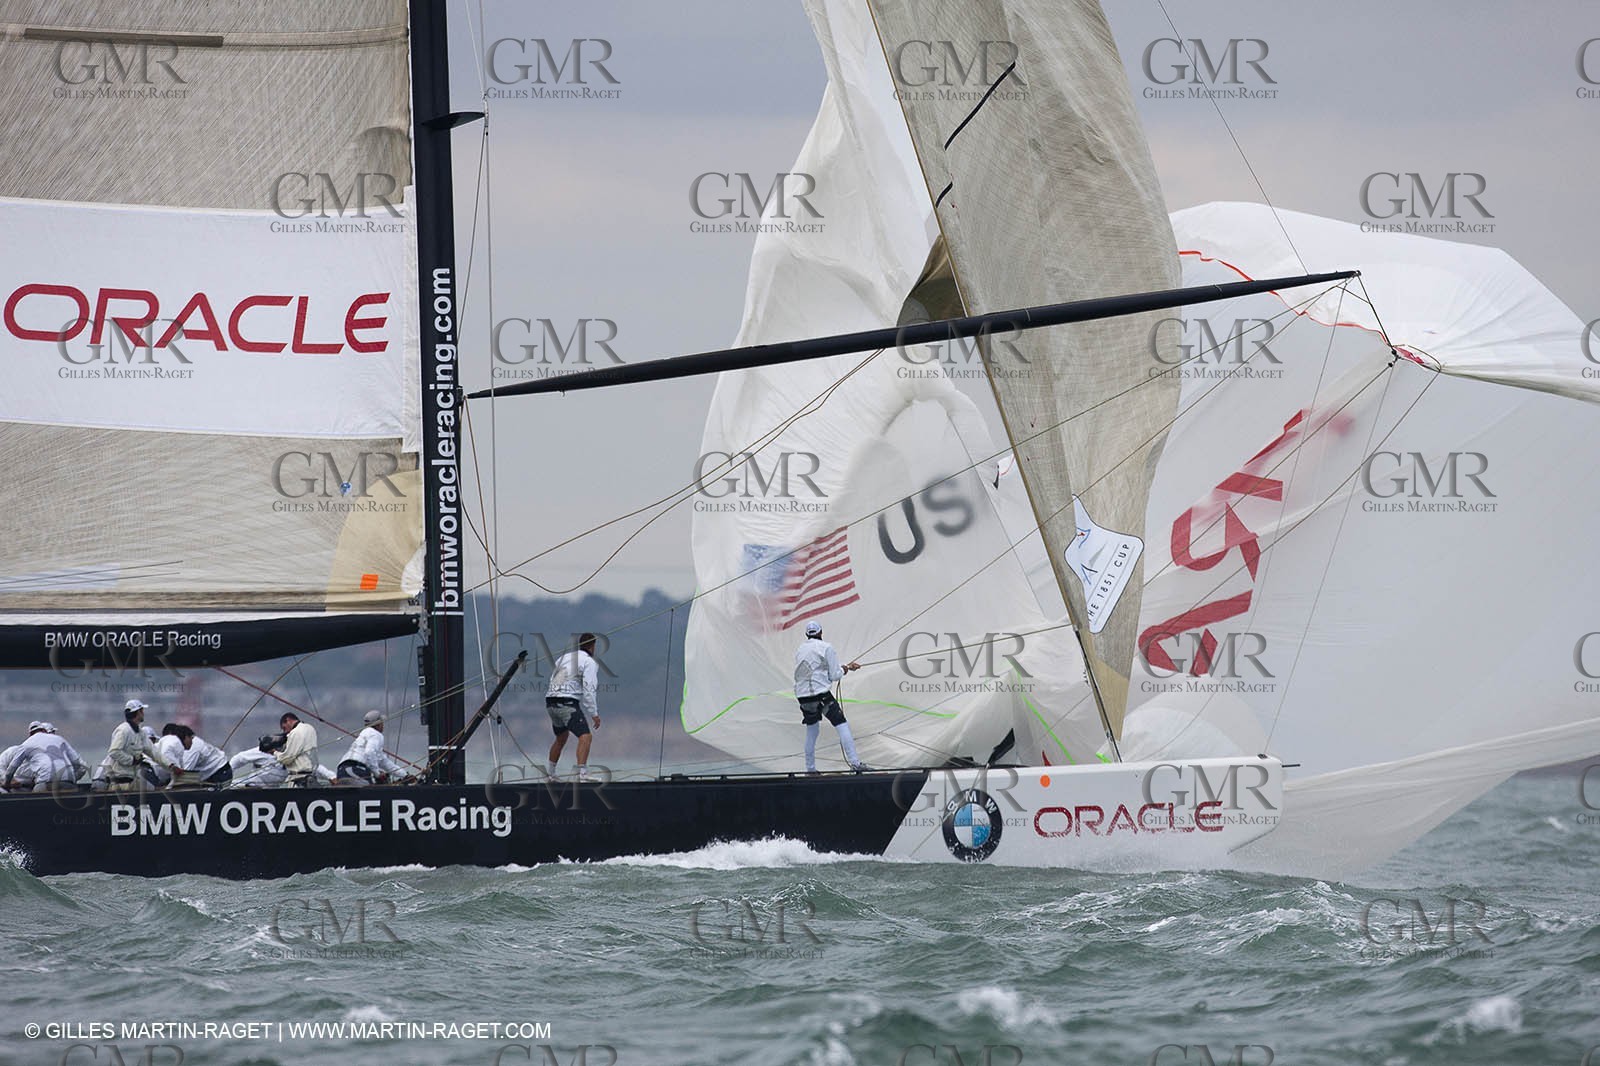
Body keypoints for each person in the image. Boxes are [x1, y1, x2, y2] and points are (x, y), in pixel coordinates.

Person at [794, 620, 869, 774]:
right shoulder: (826, 647)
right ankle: (855, 763)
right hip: (821, 695)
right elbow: (835, 675)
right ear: (821, 633)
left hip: (803, 697)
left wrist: (843, 668)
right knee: (841, 724)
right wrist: (847, 668)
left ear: (807, 634)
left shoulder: (800, 649)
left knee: (812, 730)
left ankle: (810, 769)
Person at [545, 632, 601, 781]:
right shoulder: (589, 662)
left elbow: (554, 680)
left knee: (561, 737)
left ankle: (550, 775)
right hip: (567, 703)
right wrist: (594, 714)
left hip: (550, 702)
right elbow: (589, 689)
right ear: (593, 646)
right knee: (585, 736)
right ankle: (582, 774)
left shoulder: (562, 658)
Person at [102, 699, 172, 790]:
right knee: (154, 792)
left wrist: (170, 765)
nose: (143, 713)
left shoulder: (140, 732)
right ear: (137, 712)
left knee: (153, 790)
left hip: (131, 779)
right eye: (142, 711)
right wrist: (132, 760)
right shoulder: (123, 730)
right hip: (119, 781)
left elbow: (153, 752)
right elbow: (114, 751)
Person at [2, 721, 88, 792]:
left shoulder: (26, 744)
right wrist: (70, 778)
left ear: (30, 734)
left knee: (34, 798)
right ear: (45, 731)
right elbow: (78, 764)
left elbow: (12, 768)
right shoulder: (60, 739)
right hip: (68, 783)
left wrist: (7, 783)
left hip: (45, 783)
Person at [336, 710, 410, 785]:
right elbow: (369, 752)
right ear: (378, 724)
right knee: (371, 793)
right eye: (382, 723)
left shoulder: (365, 735)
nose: (383, 725)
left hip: (342, 771)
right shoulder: (376, 734)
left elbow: (385, 763)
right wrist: (377, 774)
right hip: (356, 770)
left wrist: (405, 775)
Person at [274, 712, 319, 786]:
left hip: (298, 778)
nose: (285, 732)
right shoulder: (310, 728)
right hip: (311, 776)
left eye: (284, 728)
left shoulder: (295, 732)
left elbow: (287, 758)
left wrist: (274, 752)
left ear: (288, 720)